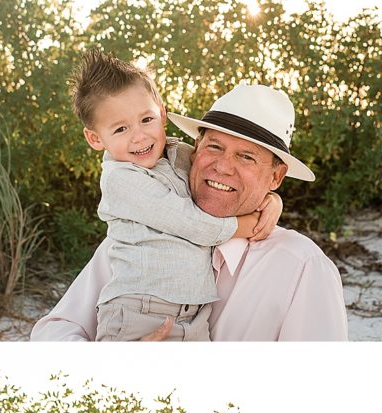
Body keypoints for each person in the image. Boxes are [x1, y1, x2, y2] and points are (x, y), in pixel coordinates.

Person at [32, 83, 349, 341]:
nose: (222, 167)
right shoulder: (137, 233)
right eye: (214, 147)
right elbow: (52, 333)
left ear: (276, 177)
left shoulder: (303, 268)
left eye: (246, 157)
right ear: (194, 151)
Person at [71, 51, 282, 341]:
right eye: (120, 128)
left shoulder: (176, 154)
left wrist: (272, 199)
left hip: (194, 315)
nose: (139, 136)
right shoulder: (121, 180)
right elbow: (192, 224)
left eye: (146, 119)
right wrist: (251, 224)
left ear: (162, 113)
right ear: (95, 138)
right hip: (138, 312)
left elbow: (221, 178)